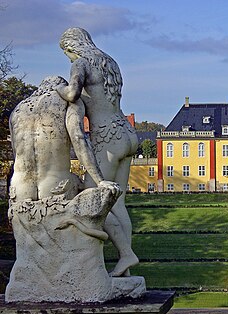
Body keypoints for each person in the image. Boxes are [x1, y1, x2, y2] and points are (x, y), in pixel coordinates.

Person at [57, 28, 139, 277]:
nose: (69, 58)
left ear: (71, 48)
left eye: (67, 53)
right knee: (119, 203)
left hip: (107, 138)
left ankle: (120, 257)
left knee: (94, 196)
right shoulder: (109, 62)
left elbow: (71, 93)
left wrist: (58, 89)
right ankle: (126, 264)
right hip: (126, 132)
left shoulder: (80, 63)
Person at [9, 76, 119, 203]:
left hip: (19, 188)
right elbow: (79, 139)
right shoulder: (68, 102)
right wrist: (100, 181)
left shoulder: (18, 109)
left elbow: (15, 153)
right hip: (56, 186)